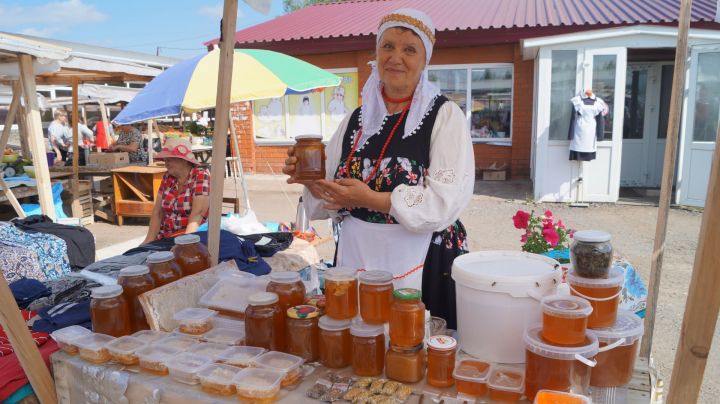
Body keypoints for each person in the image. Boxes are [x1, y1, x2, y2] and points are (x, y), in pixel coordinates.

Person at [282, 8, 474, 329]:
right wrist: (311, 180)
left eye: (409, 49)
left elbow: (445, 203)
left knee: (411, 349)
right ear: (376, 54)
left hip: (423, 259)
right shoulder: (355, 119)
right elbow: (328, 195)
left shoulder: (444, 115)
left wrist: (373, 199)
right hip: (357, 254)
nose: (396, 57)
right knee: (360, 340)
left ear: (424, 61)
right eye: (388, 46)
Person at [142, 137, 210, 243]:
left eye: (169, 160)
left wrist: (184, 245)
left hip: (192, 237)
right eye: (165, 160)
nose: (166, 164)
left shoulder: (200, 175)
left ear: (183, 160)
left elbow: (197, 215)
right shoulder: (167, 177)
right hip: (166, 236)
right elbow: (157, 212)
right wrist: (147, 241)